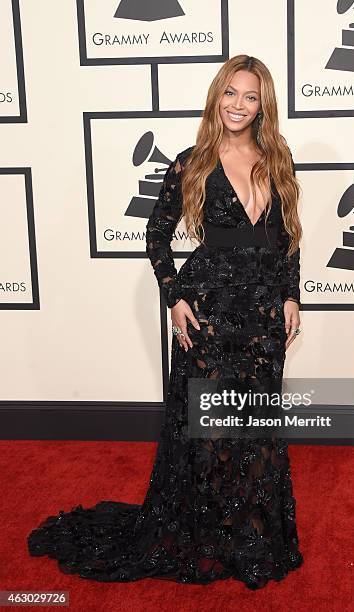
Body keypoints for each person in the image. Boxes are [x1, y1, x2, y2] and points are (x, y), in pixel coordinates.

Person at [27, 54, 304, 590]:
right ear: (215, 96)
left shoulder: (278, 158)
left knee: (256, 428)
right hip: (208, 311)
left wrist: (291, 296)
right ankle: (204, 536)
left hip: (263, 314)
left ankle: (250, 535)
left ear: (263, 103)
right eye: (229, 93)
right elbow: (156, 236)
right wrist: (175, 298)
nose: (237, 105)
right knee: (208, 429)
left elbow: (288, 237)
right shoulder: (192, 161)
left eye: (249, 96)